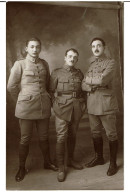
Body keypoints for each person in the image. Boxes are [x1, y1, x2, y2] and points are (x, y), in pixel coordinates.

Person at [7, 37, 58, 182]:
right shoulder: (20, 64)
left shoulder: (44, 64)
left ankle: (47, 162)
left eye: (37, 47)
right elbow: (10, 87)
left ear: (40, 48)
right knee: (25, 139)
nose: (35, 49)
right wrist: (22, 98)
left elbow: (48, 84)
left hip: (43, 107)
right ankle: (21, 167)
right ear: (26, 49)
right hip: (26, 108)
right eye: (32, 47)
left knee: (44, 137)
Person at [82, 37, 119, 176]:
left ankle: (113, 163)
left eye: (99, 46)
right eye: (93, 46)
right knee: (95, 132)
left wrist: (89, 82)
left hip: (106, 103)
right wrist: (91, 85)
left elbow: (103, 79)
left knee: (111, 133)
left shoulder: (111, 62)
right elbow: (82, 84)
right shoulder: (91, 65)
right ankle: (99, 158)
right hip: (92, 103)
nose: (96, 48)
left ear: (104, 47)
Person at [49, 48, 86, 182]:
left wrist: (83, 106)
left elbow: (83, 91)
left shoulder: (79, 74)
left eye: (75, 57)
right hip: (61, 108)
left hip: (76, 107)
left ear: (77, 60)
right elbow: (50, 91)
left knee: (73, 134)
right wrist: (55, 105)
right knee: (61, 136)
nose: (72, 59)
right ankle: (61, 167)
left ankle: (70, 160)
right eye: (69, 56)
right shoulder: (56, 73)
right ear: (65, 57)